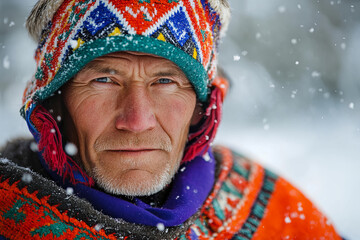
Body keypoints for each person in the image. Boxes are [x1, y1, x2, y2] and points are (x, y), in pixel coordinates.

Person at [0, 0, 342, 239]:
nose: (136, 120)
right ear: (55, 103)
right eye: (104, 80)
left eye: (165, 82)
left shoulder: (275, 212)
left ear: (201, 107)